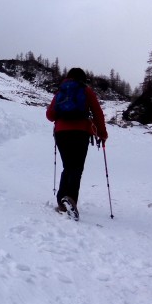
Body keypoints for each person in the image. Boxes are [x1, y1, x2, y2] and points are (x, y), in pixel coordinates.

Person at [46, 67, 108, 220]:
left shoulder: (61, 91)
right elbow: (98, 112)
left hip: (61, 133)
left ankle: (62, 202)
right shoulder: (86, 90)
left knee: (68, 166)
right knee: (76, 167)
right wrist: (102, 133)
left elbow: (50, 115)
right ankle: (71, 200)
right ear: (83, 78)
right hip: (80, 132)